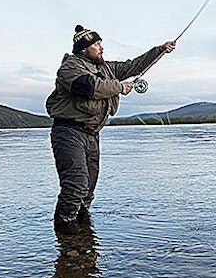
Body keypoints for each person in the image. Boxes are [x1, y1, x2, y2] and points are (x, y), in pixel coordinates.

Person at [46, 24, 175, 234]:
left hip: (92, 134)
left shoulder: (106, 68)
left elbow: (134, 66)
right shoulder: (70, 68)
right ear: (83, 49)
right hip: (68, 133)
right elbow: (89, 87)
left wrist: (160, 50)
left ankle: (83, 235)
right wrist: (119, 87)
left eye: (100, 43)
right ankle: (65, 232)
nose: (101, 47)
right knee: (75, 184)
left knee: (88, 189)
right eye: (96, 44)